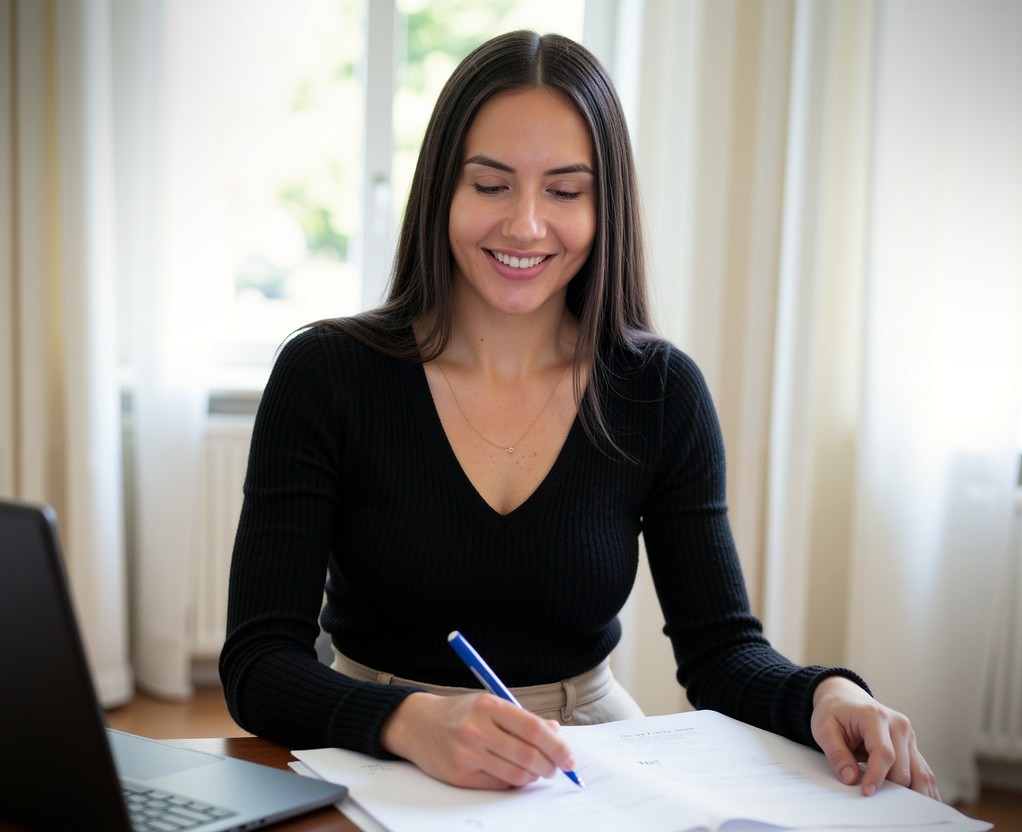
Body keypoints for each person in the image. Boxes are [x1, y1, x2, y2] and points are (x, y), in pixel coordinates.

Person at [219, 29, 939, 799]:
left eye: (564, 191)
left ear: (605, 206)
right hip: (374, 739)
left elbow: (720, 650)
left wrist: (825, 693)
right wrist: (410, 719)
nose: (526, 224)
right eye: (491, 184)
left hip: (584, 751)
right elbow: (260, 663)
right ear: (442, 191)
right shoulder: (327, 375)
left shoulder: (660, 393)